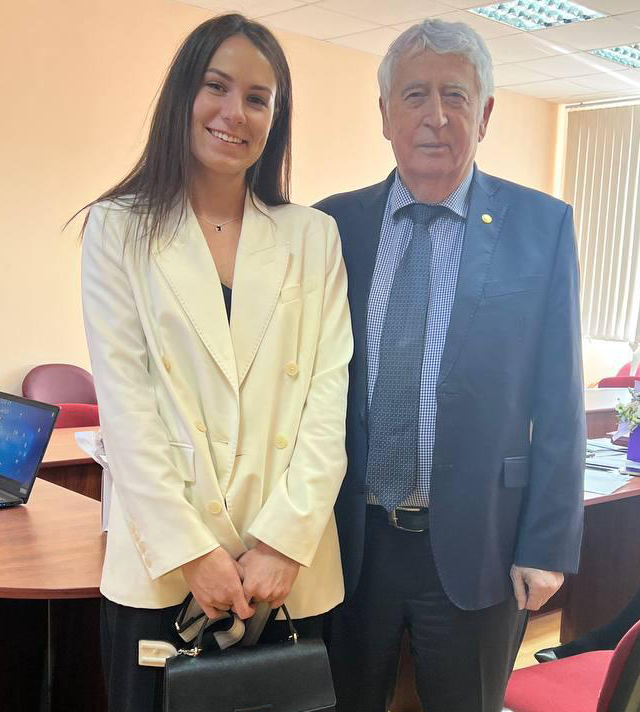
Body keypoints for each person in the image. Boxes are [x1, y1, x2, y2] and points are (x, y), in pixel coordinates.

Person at [80, 14, 352, 712]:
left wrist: (283, 543)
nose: (236, 112)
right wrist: (194, 553)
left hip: (286, 576)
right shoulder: (119, 229)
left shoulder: (312, 236)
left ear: (274, 118)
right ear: (184, 95)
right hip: (164, 568)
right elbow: (127, 408)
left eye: (258, 98)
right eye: (216, 86)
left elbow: (328, 403)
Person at [315, 18, 585, 712]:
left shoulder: (541, 227)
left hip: (479, 545)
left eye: (456, 96)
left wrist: (547, 544)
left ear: (485, 113)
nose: (436, 116)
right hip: (350, 543)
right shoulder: (331, 227)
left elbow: (559, 403)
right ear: (385, 114)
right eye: (415, 95)